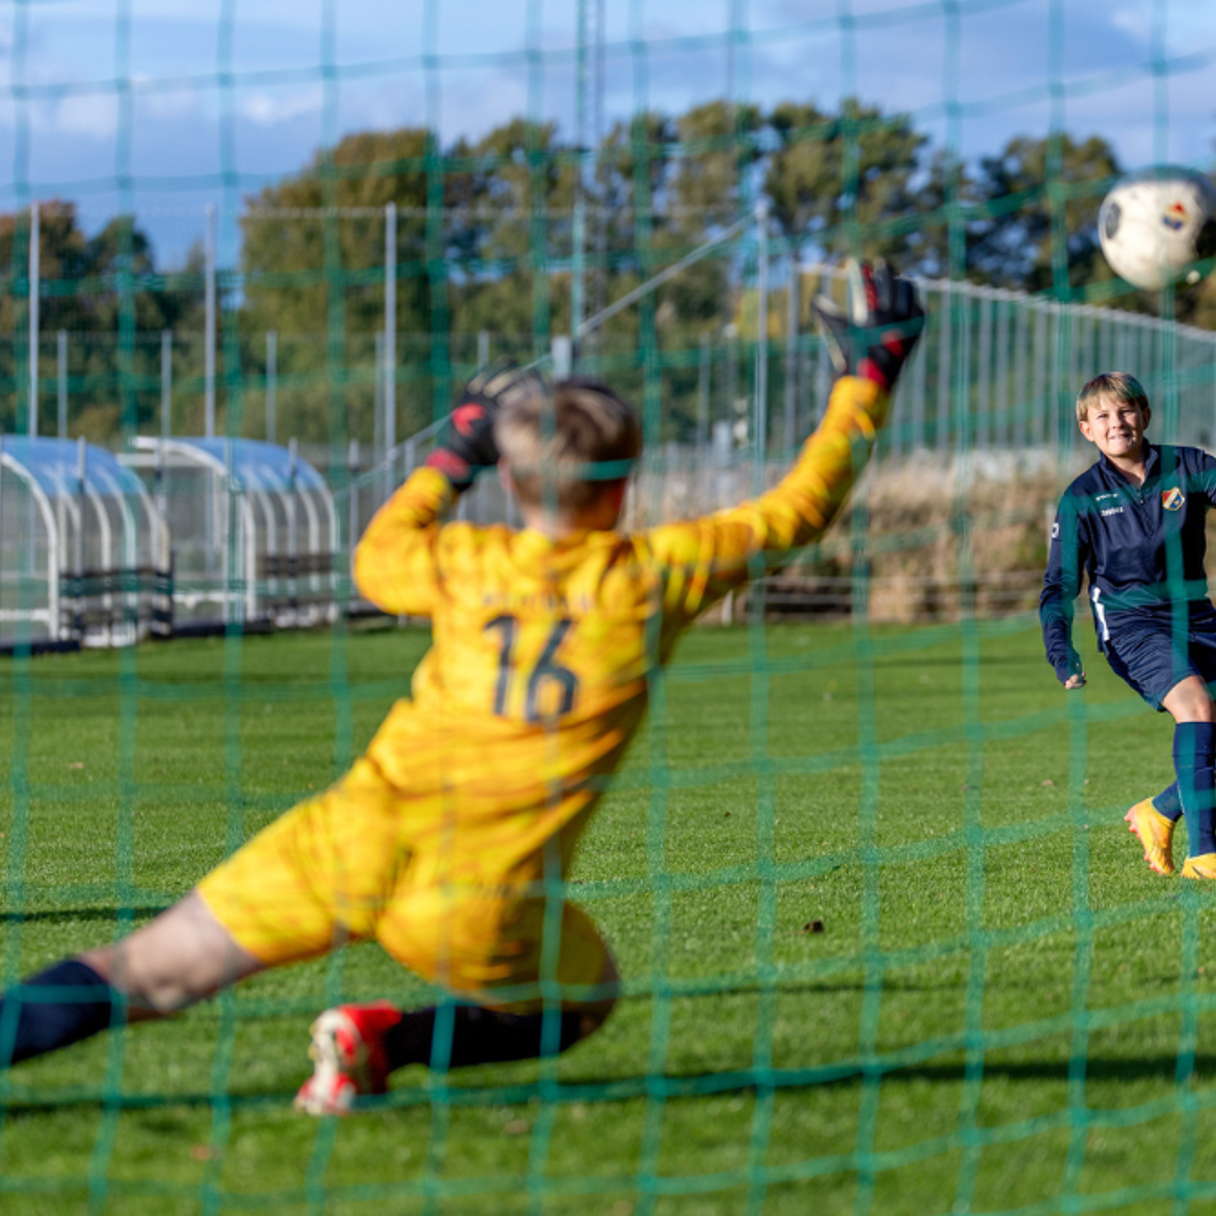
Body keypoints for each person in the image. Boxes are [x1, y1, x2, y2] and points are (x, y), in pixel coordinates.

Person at [0, 261, 923, 1115]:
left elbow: (375, 560)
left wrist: (453, 454)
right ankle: (383, 1040)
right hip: (480, 895)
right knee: (585, 997)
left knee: (144, 973)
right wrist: (867, 377)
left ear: (515, 481)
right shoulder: (657, 573)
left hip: (346, 836)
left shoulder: (465, 562)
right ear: (626, 483)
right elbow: (799, 509)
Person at [1041, 371, 1216, 881]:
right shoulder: (1081, 498)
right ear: (1086, 429)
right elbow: (1058, 586)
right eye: (1103, 416)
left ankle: (1159, 811)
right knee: (1197, 707)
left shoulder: (1187, 466)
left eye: (1126, 411)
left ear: (1145, 416)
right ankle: (1205, 856)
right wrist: (1061, 650)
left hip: (1197, 617)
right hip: (1131, 624)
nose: (1117, 423)